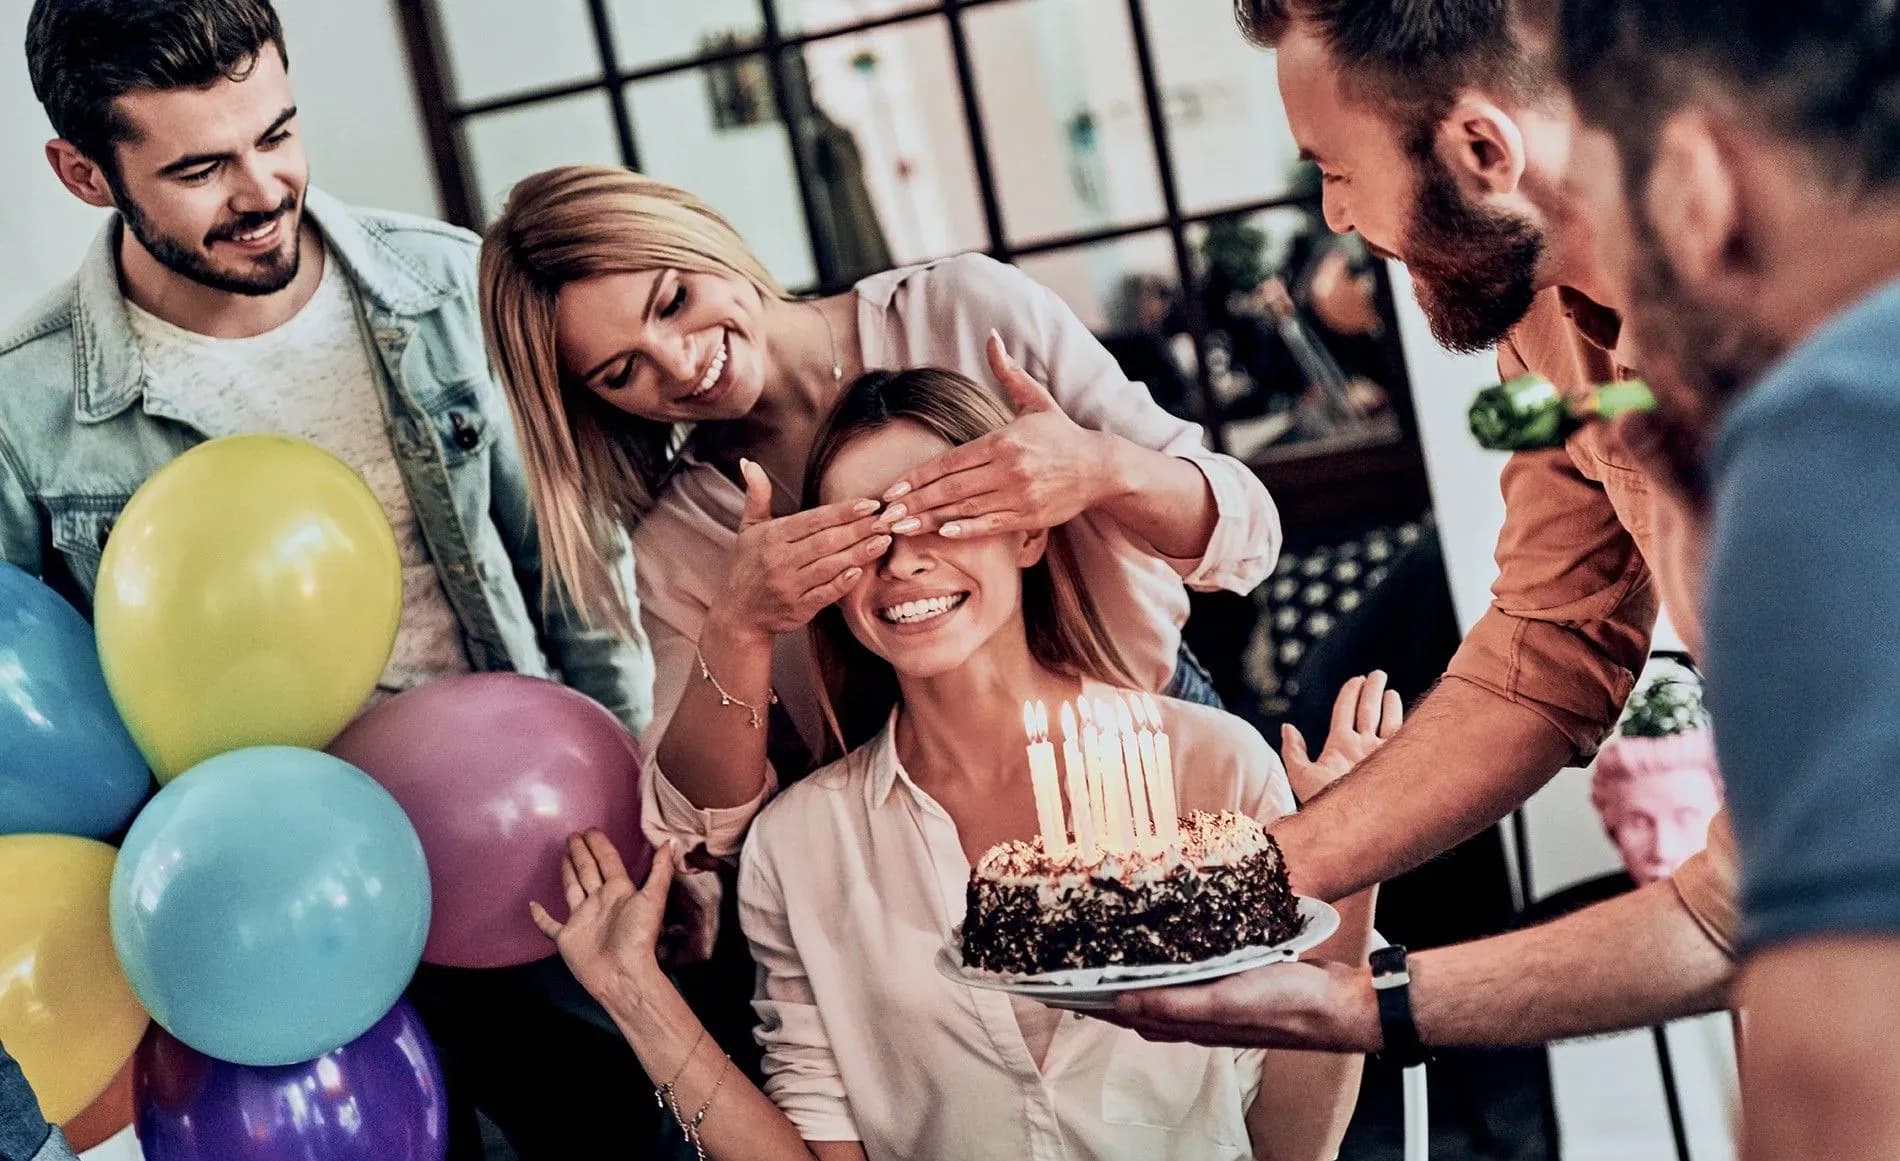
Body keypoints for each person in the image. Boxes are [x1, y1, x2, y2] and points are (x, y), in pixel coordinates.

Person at [0, 4, 654, 1157]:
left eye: (279, 134)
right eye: (201, 167)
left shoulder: (451, 291)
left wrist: (645, 826)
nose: (263, 189)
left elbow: (581, 591)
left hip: (526, 871)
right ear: (83, 173)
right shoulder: (23, 412)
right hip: (262, 937)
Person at [529, 366, 1393, 1161]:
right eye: (865, 532)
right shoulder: (801, 848)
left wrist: (1354, 872)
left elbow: (1289, 1148)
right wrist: (631, 989)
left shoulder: (1213, 770)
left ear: (1025, 535)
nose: (904, 559)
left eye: (943, 512)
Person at [1107, 0, 1739, 1056]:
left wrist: (1366, 1005)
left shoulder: (1799, 337)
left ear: (1480, 148)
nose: (1336, 219)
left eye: (1337, 171)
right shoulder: (1544, 322)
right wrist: (1252, 881)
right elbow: (1547, 651)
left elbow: (1733, 912)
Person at [477, 166, 1281, 888]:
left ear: (700, 237)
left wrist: (1102, 468)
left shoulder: (969, 314)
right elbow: (698, 826)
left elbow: (1245, 535)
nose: (680, 364)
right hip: (929, 849)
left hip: (1149, 748)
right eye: (623, 371)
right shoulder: (681, 538)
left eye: (674, 301)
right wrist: (741, 626)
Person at [1553, 1, 1900, 1157]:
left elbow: (1840, 1100)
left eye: (1607, 234)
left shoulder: (1835, 416)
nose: (1624, 332)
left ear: (1694, 190)